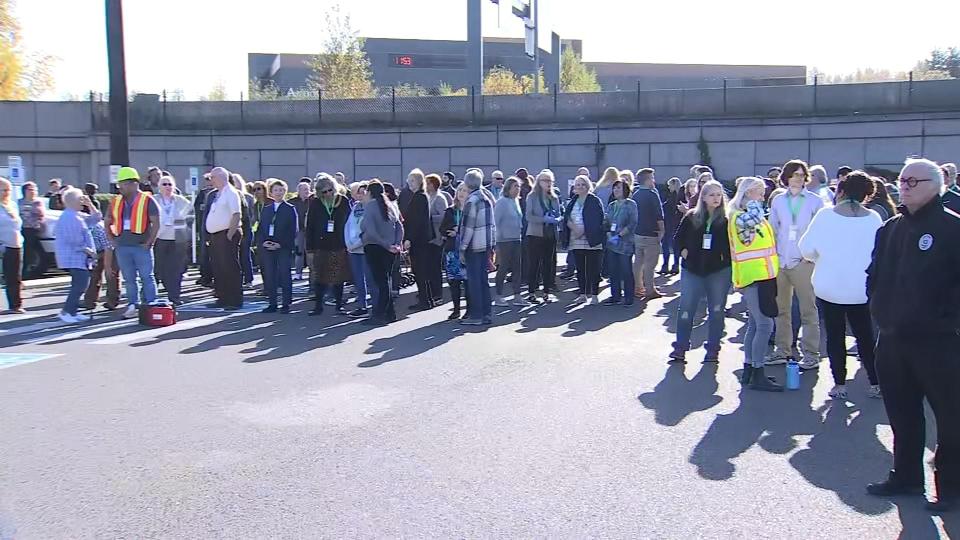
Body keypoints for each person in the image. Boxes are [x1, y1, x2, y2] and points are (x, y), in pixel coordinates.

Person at [864, 158, 960, 512]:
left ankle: (951, 486)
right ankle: (905, 476)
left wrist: (945, 318)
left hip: (938, 341)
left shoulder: (952, 228)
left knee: (950, 417)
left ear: (936, 186)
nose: (904, 186)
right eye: (902, 181)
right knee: (902, 414)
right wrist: (880, 309)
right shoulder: (890, 228)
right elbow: (873, 274)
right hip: (892, 339)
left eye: (913, 181)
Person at [798, 171, 882, 400]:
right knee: (865, 336)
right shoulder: (874, 218)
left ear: (841, 190)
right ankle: (875, 382)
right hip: (862, 289)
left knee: (835, 336)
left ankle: (839, 384)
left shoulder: (826, 215)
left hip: (830, 286)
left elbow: (806, 248)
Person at [766, 159, 826, 369]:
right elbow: (773, 229)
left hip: (803, 262)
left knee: (808, 310)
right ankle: (782, 350)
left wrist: (810, 256)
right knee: (782, 310)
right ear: (786, 177)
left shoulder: (814, 201)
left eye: (802, 175)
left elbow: (820, 231)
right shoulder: (778, 201)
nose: (798, 178)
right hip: (781, 261)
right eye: (794, 174)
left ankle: (811, 354)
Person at [728, 177, 782, 391]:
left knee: (754, 324)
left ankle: (750, 369)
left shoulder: (749, 215)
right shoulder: (741, 217)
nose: (763, 197)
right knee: (765, 325)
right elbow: (747, 240)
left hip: (762, 276)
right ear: (748, 193)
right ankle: (758, 371)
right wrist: (755, 210)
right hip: (754, 278)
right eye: (759, 193)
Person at [669, 180, 732, 363]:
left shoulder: (726, 221)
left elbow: (731, 249)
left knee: (717, 310)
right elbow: (677, 239)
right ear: (703, 197)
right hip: (692, 269)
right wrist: (683, 252)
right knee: (686, 308)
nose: (716, 198)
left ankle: (713, 349)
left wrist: (728, 265)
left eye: (719, 195)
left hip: (718, 271)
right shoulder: (691, 217)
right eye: (712, 194)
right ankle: (680, 347)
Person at [103, 167, 160, 318]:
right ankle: (132, 305)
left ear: (134, 184)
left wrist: (149, 242)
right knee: (129, 279)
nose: (120, 188)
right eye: (119, 185)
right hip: (123, 246)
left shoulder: (147, 200)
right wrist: (111, 239)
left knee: (146, 276)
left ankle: (151, 303)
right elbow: (107, 220)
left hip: (141, 246)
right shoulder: (116, 201)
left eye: (123, 184)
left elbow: (156, 222)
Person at [306, 173, 352, 315]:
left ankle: (339, 305)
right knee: (320, 276)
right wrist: (310, 248)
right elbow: (310, 226)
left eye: (330, 190)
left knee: (338, 276)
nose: (328, 194)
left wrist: (349, 242)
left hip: (339, 244)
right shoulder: (316, 203)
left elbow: (349, 223)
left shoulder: (342, 201)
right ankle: (318, 306)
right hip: (321, 244)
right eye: (324, 192)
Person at [360, 180, 403, 326]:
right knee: (386, 280)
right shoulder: (391, 205)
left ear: (369, 192)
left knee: (381, 283)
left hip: (375, 247)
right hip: (389, 248)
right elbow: (399, 226)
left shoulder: (370, 206)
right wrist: (396, 244)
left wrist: (386, 245)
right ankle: (390, 313)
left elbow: (371, 231)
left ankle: (378, 315)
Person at [458, 168, 496, 325]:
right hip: (485, 244)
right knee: (483, 281)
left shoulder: (471, 201)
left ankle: (476, 316)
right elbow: (492, 224)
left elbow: (468, 227)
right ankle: (486, 313)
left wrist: (462, 248)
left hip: (473, 246)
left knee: (473, 282)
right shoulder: (486, 198)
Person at [255, 179, 297, 313]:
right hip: (268, 247)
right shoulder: (267, 209)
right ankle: (272, 303)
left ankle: (286, 303)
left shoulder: (290, 209)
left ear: (285, 192)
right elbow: (261, 228)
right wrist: (263, 242)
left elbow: (292, 230)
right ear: (271, 193)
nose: (278, 193)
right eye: (275, 190)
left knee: (284, 274)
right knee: (270, 274)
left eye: (281, 190)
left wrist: (280, 244)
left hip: (283, 247)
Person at [54, 188, 96, 323]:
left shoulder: (77, 215)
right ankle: (66, 311)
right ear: (72, 201)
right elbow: (73, 240)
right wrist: (88, 250)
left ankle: (72, 311)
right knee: (81, 284)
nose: (82, 202)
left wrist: (90, 205)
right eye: (80, 199)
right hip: (73, 257)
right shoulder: (69, 217)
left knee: (79, 284)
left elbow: (96, 219)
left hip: (78, 257)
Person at [205, 167, 244, 310]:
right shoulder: (218, 194)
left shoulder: (231, 193)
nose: (211, 181)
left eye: (213, 178)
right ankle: (222, 298)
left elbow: (236, 214)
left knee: (230, 268)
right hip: (216, 235)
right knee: (218, 268)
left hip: (227, 234)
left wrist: (229, 235)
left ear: (221, 177)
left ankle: (234, 300)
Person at [562, 175, 604, 305]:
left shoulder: (594, 200)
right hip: (576, 241)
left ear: (588, 186)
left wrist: (584, 230)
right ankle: (582, 294)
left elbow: (597, 219)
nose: (580, 187)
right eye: (577, 184)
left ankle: (595, 294)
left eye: (582, 184)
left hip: (591, 240)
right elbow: (567, 218)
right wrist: (574, 229)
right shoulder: (572, 201)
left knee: (593, 269)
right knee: (580, 269)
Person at [153, 175, 193, 306]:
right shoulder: (154, 200)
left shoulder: (182, 201)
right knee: (157, 268)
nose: (167, 187)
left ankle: (174, 297)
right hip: (159, 237)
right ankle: (150, 297)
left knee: (175, 269)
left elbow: (189, 219)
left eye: (170, 184)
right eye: (164, 184)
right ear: (159, 187)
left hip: (177, 239)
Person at [401, 169, 437, 311]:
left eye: (413, 181)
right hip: (422, 239)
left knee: (420, 271)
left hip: (418, 240)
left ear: (419, 182)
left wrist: (409, 238)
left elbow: (416, 221)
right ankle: (427, 299)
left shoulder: (419, 197)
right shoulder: (422, 196)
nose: (410, 184)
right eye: (409, 181)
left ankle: (425, 300)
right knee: (422, 271)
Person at [525, 169, 561, 304]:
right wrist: (543, 219)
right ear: (539, 181)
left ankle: (546, 292)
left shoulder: (554, 197)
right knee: (534, 263)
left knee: (548, 264)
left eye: (550, 181)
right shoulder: (532, 196)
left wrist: (557, 219)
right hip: (535, 234)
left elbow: (558, 213)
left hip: (550, 235)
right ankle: (532, 292)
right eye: (545, 180)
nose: (548, 183)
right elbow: (528, 216)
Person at [81, 195, 120, 312]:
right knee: (94, 275)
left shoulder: (96, 228)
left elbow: (108, 246)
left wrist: (107, 265)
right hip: (96, 251)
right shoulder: (81, 226)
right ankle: (90, 301)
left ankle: (112, 301)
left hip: (110, 249)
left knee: (111, 274)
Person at [631, 168, 664, 300]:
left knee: (638, 262)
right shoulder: (652, 194)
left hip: (638, 233)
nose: (654, 180)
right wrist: (662, 231)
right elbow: (659, 215)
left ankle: (638, 287)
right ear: (648, 179)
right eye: (652, 177)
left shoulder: (636, 194)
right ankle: (650, 289)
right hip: (651, 233)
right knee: (650, 264)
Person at [603, 179, 638, 306]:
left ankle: (629, 297)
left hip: (625, 243)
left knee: (626, 271)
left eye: (619, 188)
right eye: (614, 188)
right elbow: (606, 221)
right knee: (613, 271)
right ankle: (615, 296)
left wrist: (619, 235)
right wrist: (608, 234)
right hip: (611, 244)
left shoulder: (631, 204)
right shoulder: (612, 205)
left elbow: (633, 223)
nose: (616, 190)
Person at [494, 177, 526, 307]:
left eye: (518, 186)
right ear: (508, 187)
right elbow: (496, 221)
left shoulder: (516, 201)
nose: (517, 189)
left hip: (516, 238)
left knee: (517, 267)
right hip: (504, 240)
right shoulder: (502, 202)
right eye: (515, 186)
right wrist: (497, 241)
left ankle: (517, 295)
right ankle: (498, 295)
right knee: (504, 267)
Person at [344, 182, 376, 317]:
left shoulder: (372, 208)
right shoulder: (355, 207)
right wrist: (348, 243)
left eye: (364, 192)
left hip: (365, 247)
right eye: (359, 192)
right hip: (353, 249)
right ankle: (362, 306)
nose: (361, 195)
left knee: (370, 279)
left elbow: (370, 231)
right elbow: (348, 225)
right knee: (358, 279)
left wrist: (357, 243)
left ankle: (376, 307)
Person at [441, 184, 470, 320]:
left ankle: (470, 309)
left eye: (464, 190)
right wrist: (451, 231)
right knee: (454, 282)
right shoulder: (450, 211)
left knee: (468, 281)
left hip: (467, 251)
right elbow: (443, 229)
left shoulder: (471, 210)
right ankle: (456, 309)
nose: (461, 193)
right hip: (452, 251)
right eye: (460, 190)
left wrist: (459, 230)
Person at [0, 178, 24, 314]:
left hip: (16, 245)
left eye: (8, 190)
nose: (7, 193)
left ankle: (15, 305)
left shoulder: (12, 205)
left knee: (15, 277)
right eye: (3, 190)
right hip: (3, 245)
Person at [228, 174, 256, 286]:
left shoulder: (248, 197)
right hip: (232, 228)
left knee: (245, 254)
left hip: (245, 228)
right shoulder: (228, 196)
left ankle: (249, 278)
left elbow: (252, 214)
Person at [424, 174, 448, 304]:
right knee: (429, 266)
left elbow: (444, 216)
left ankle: (438, 294)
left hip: (437, 236)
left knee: (435, 266)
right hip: (429, 236)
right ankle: (430, 291)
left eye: (428, 183)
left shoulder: (439, 198)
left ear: (433, 184)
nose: (426, 186)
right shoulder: (428, 197)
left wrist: (430, 217)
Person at [290, 178, 313, 281]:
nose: (306, 191)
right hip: (298, 230)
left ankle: (312, 274)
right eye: (304, 189)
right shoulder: (293, 202)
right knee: (299, 252)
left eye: (307, 189)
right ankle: (298, 272)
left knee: (310, 252)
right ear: (298, 191)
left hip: (310, 230)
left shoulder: (313, 201)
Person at [660, 177, 684, 275]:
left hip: (670, 223)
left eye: (670, 185)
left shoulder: (673, 196)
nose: (669, 187)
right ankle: (675, 265)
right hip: (676, 224)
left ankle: (666, 265)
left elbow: (667, 207)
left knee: (666, 245)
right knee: (675, 247)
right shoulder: (681, 196)